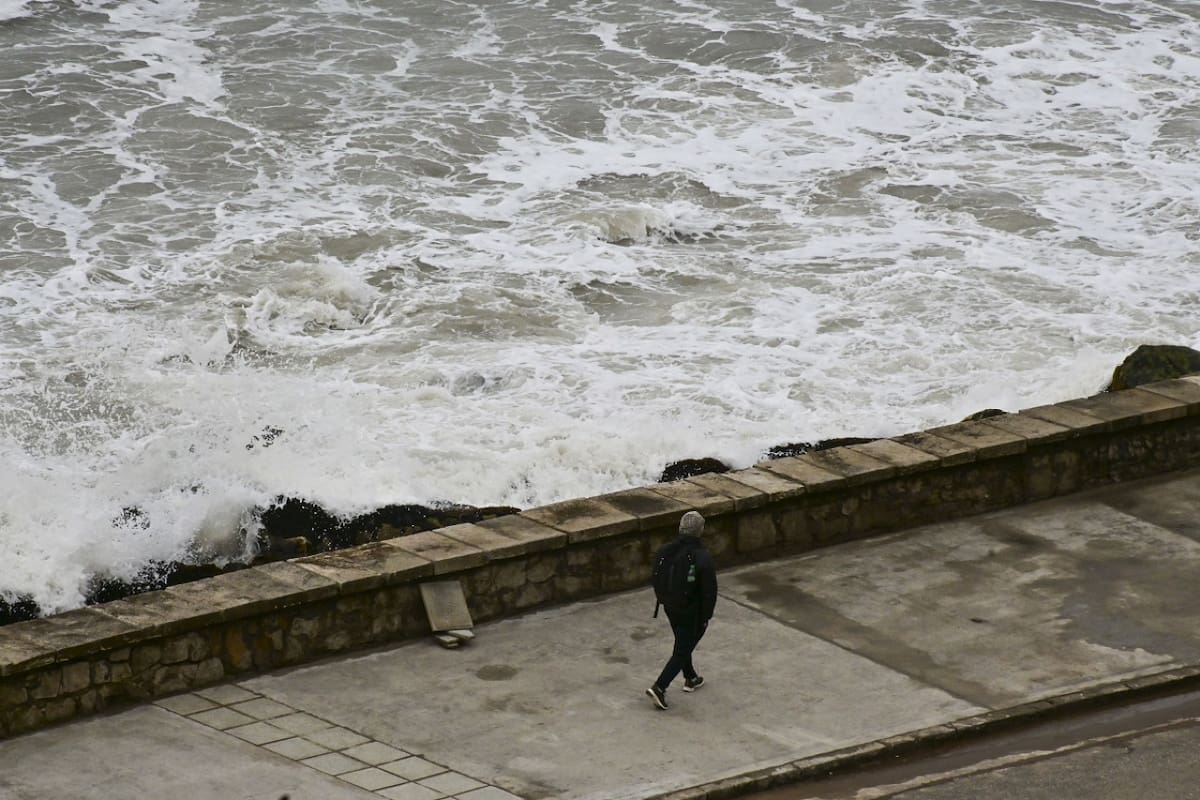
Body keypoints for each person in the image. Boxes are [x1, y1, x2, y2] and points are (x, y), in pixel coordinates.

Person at [646, 510, 718, 710]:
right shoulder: (702, 557)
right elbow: (709, 592)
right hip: (691, 611)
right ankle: (659, 687)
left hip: (669, 606)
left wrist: (664, 599)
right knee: (682, 649)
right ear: (700, 531)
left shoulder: (665, 551)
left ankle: (690, 677)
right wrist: (706, 616)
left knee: (683, 640)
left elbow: (656, 576)